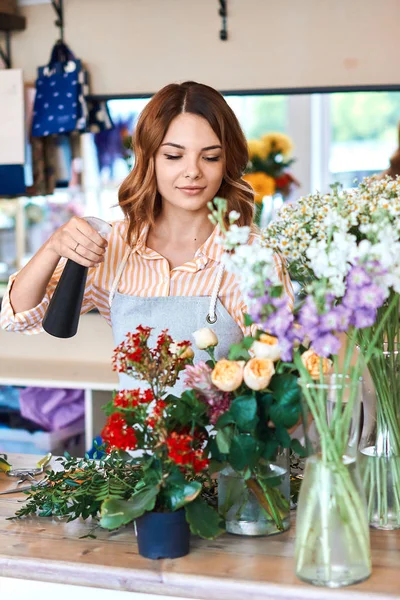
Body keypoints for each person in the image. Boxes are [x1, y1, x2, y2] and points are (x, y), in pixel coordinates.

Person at [0, 81, 293, 391]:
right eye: (173, 156)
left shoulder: (253, 257)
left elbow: (281, 381)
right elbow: (19, 318)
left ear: (227, 164)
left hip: (224, 439)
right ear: (149, 159)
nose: (192, 171)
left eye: (209, 157)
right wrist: (52, 247)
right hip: (134, 437)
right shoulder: (113, 245)